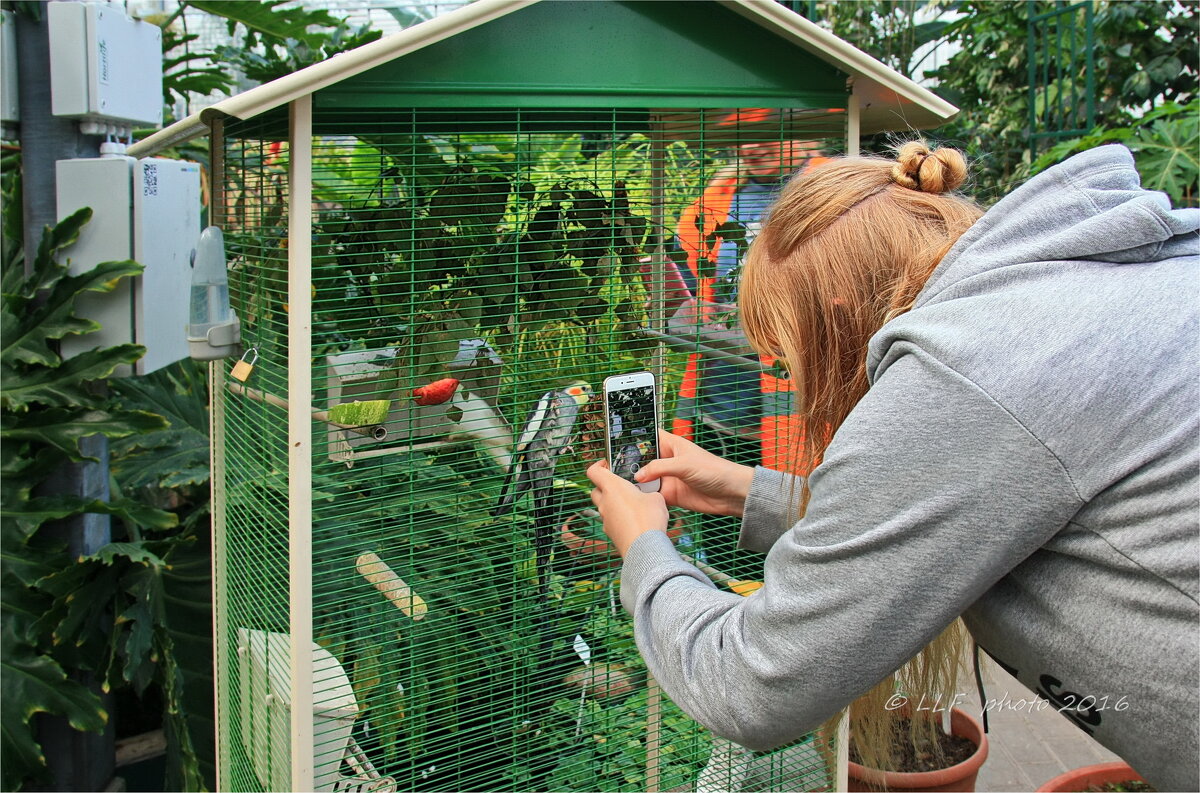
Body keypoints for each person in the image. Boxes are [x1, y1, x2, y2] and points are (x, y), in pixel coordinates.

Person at [587, 142, 1199, 789]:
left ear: (840, 317)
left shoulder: (965, 369)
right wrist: (748, 488)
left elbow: (749, 683)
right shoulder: (1072, 292)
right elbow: (970, 501)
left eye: (793, 357)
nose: (795, 379)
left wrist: (643, 545)